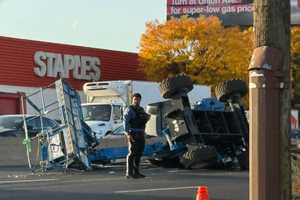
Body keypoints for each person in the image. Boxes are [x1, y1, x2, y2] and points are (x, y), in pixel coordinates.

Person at [123, 93, 150, 179]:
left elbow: (145, 119)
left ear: (140, 100)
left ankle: (136, 172)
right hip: (133, 133)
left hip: (141, 133)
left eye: (138, 99)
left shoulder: (141, 109)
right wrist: (128, 134)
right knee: (132, 153)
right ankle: (129, 173)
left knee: (139, 153)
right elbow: (125, 122)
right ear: (132, 100)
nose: (136, 101)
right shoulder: (129, 109)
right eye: (135, 99)